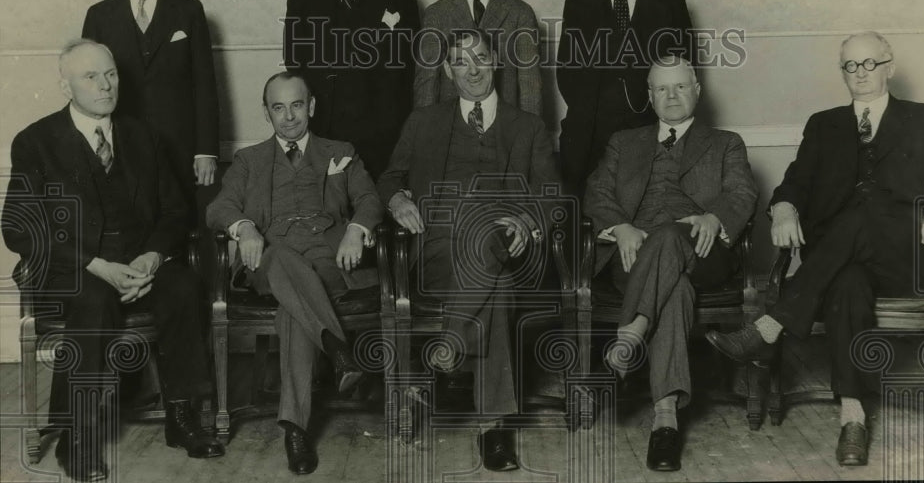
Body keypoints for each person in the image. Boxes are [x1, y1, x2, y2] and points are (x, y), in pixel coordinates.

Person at [705, 31, 924, 466]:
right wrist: (782, 208)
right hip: (841, 261)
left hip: (905, 259)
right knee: (848, 283)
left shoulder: (923, 118)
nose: (860, 74)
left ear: (889, 67)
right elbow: (794, 182)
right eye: (851, 66)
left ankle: (769, 328)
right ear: (843, 72)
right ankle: (852, 419)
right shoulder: (824, 124)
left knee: (864, 212)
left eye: (869, 63)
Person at [2, 40, 224, 482]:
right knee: (92, 300)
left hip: (140, 262)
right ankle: (76, 438)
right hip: (78, 272)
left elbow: (176, 211)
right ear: (65, 86)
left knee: (183, 287)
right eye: (91, 77)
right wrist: (95, 265)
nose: (106, 86)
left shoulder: (143, 135)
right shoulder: (36, 142)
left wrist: (152, 257)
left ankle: (182, 419)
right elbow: (19, 229)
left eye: (112, 74)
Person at [377, 29, 559, 472]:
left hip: (506, 247)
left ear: (495, 61)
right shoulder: (423, 121)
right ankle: (493, 429)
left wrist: (530, 220)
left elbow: (552, 195)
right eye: (461, 61)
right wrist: (398, 200)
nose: (472, 69)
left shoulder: (527, 126)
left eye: (480, 57)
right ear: (447, 70)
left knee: (490, 250)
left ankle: (444, 358)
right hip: (438, 251)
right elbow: (389, 177)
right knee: (491, 282)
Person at [584, 56, 757, 471]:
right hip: (634, 254)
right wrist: (621, 227)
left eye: (680, 86)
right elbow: (596, 192)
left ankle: (630, 335)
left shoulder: (725, 142)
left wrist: (714, 217)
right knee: (673, 288)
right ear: (649, 96)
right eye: (662, 89)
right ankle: (666, 419)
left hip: (702, 249)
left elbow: (740, 193)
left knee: (667, 237)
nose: (672, 95)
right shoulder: (624, 142)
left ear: (697, 89)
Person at [206, 72, 383, 475]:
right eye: (279, 107)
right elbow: (218, 208)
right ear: (266, 113)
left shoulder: (341, 151)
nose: (289, 117)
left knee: (294, 308)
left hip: (330, 259)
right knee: (284, 260)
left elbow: (370, 199)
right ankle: (340, 350)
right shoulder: (249, 160)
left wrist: (356, 229)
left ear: (312, 106)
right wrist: (245, 228)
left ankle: (295, 431)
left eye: (297, 105)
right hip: (269, 259)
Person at [82, 0, 220, 214]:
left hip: (179, 150)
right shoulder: (99, 15)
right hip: (120, 148)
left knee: (180, 229)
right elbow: (88, 92)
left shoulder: (189, 10)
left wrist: (206, 150)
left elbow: (205, 85)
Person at [557, 0, 693, 196]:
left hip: (652, 133)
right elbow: (567, 76)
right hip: (590, 138)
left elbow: (685, 72)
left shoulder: (670, 0)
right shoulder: (578, 3)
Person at [284, 0, 420, 178]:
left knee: (378, 208)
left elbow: (409, 65)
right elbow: (294, 61)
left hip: (381, 131)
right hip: (324, 126)